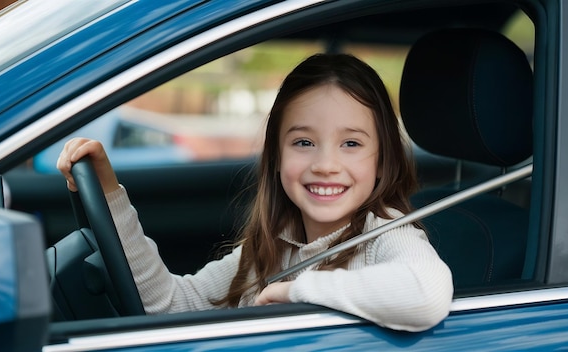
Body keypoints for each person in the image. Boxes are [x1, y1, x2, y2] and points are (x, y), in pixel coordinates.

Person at [57, 53, 453, 332]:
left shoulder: (383, 231)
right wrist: (110, 192)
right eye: (303, 143)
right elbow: (172, 307)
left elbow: (427, 292)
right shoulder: (272, 244)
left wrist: (297, 291)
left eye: (351, 144)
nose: (325, 164)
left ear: (382, 161)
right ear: (277, 156)